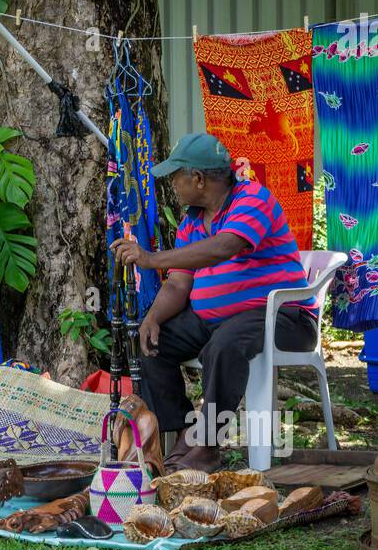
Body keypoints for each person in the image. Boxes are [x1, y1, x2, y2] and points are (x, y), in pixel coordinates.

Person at [110, 132, 318, 473]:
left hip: (284, 317)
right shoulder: (192, 221)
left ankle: (205, 444)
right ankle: (179, 439)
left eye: (176, 177)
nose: (172, 185)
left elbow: (225, 246)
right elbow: (179, 283)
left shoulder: (253, 199)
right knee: (151, 345)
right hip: (218, 320)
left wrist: (150, 259)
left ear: (198, 178)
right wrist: (153, 319)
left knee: (223, 345)